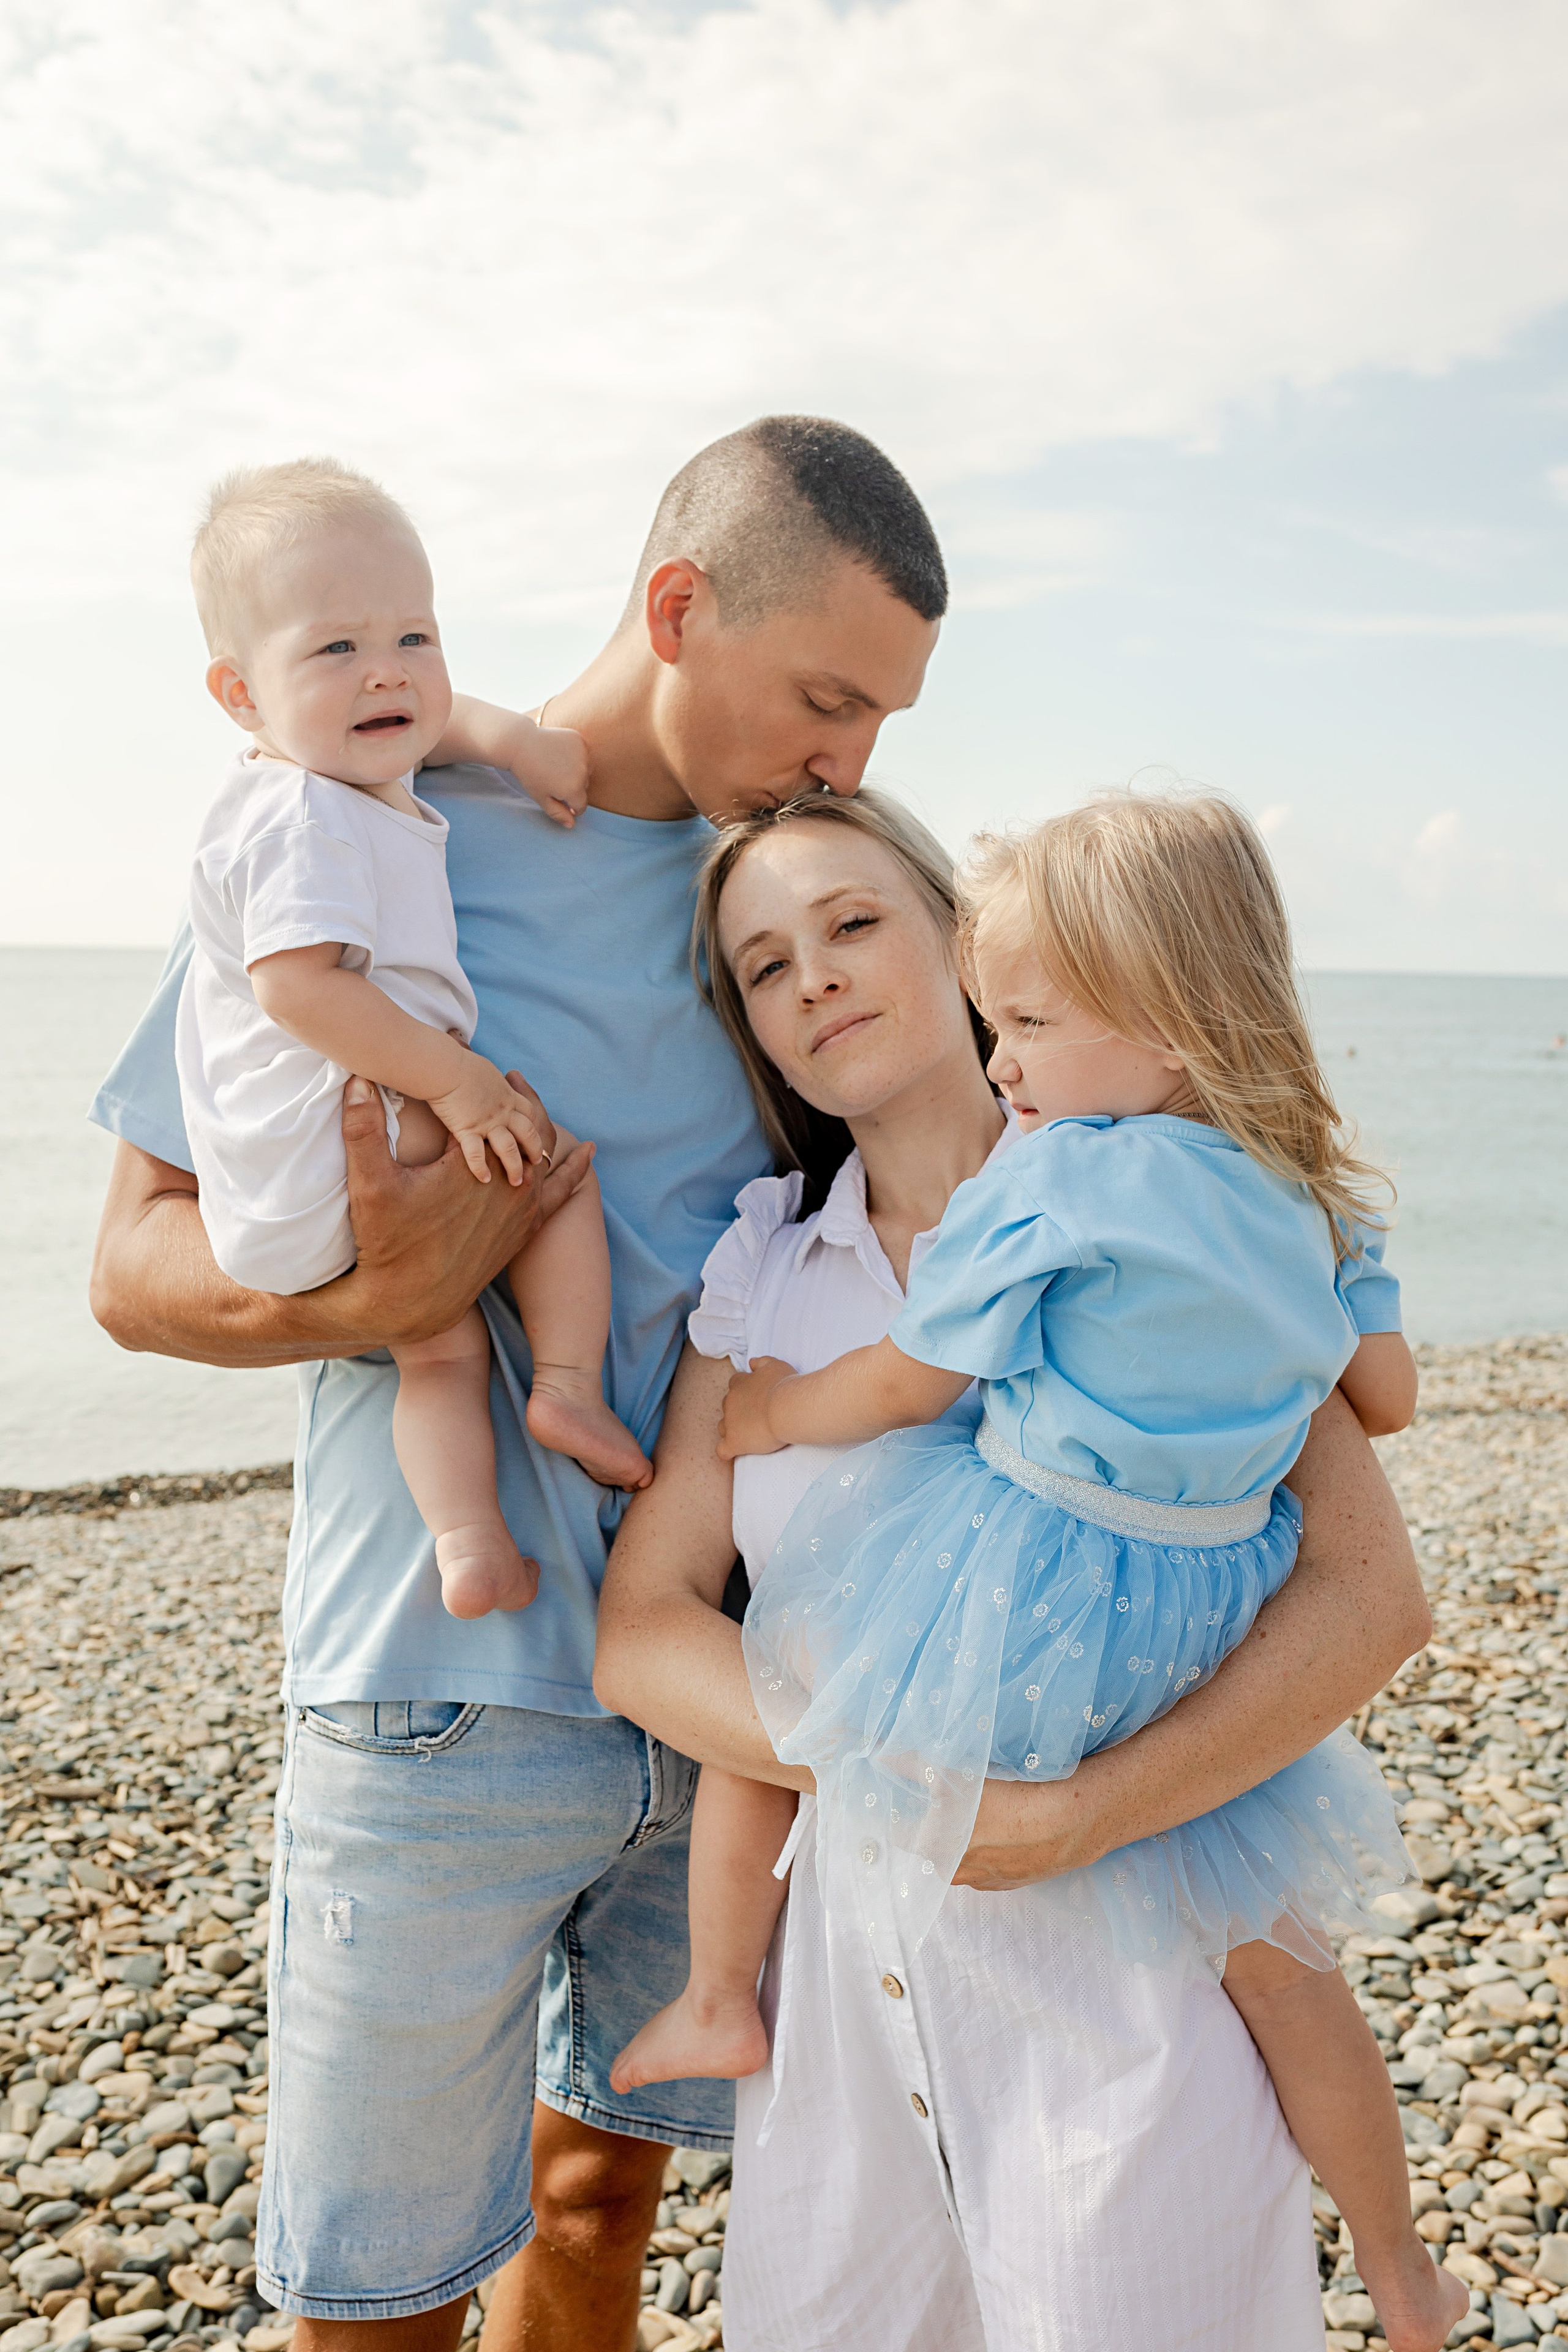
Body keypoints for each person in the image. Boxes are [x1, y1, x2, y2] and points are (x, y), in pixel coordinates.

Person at [87, 415, 946, 2352]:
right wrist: (376, 1292)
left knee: (605, 2207)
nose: (850, 761)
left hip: (720, 1699)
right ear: (675, 608)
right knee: (370, 2306)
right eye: (827, 698)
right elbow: (131, 1264)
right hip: (435, 1697)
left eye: (882, 721)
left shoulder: (800, 909)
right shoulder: (360, 823)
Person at [593, 785, 1438, 2352]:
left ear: (962, 945)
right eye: (764, 968)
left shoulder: (1170, 1217)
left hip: (1131, 2001)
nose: (816, 979)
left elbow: (1372, 1597)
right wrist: (898, 1763)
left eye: (852, 924)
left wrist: (1067, 1814)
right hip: (850, 2014)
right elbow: (641, 1637)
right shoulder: (766, 1270)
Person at [180, 456, 650, 1621]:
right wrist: (462, 1082)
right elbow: (301, 991)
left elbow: (426, 728)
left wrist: (514, 739)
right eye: (336, 648)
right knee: (557, 1175)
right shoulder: (304, 816)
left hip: (285, 1207)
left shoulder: (334, 769)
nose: (387, 670)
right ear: (240, 695)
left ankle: (468, 1542)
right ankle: (568, 1385)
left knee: (436, 1352)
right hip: (354, 1143)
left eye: (417, 637)